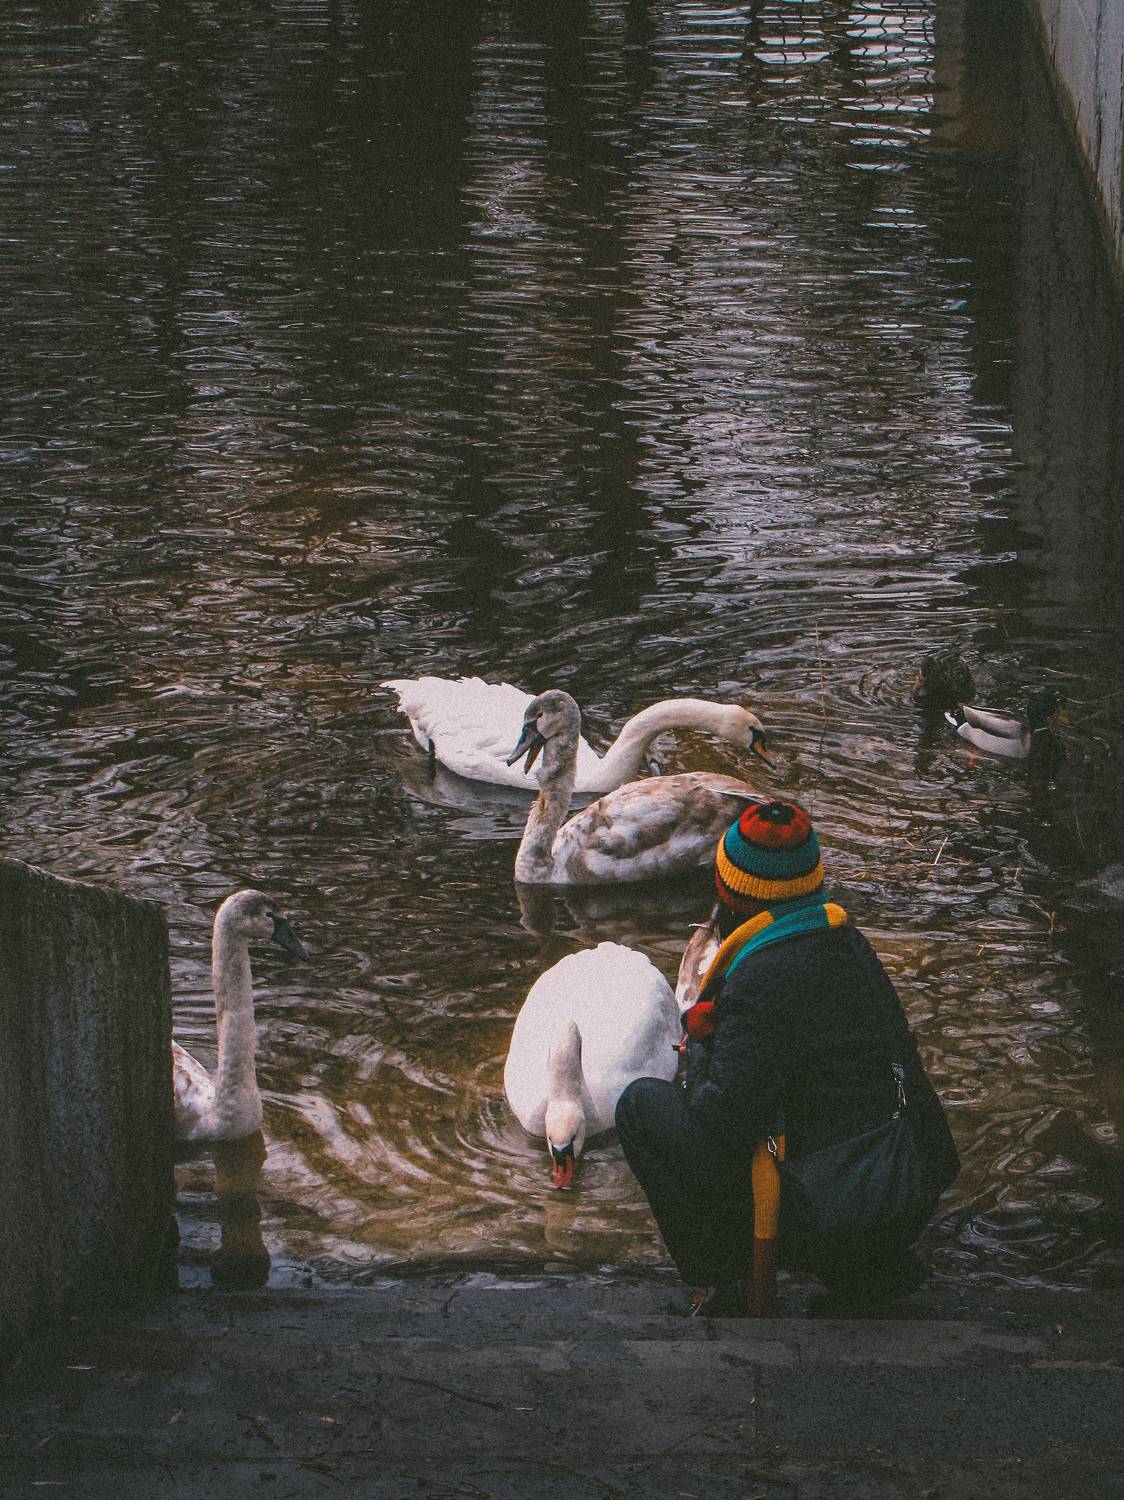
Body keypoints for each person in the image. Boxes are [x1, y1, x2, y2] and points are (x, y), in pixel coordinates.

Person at [615, 799, 959, 1316]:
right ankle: (863, 1270)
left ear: (727, 890)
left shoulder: (759, 975)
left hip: (837, 1206)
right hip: (905, 1184)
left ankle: (727, 1276)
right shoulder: (847, 940)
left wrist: (703, 1041)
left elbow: (720, 1124)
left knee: (641, 1105)